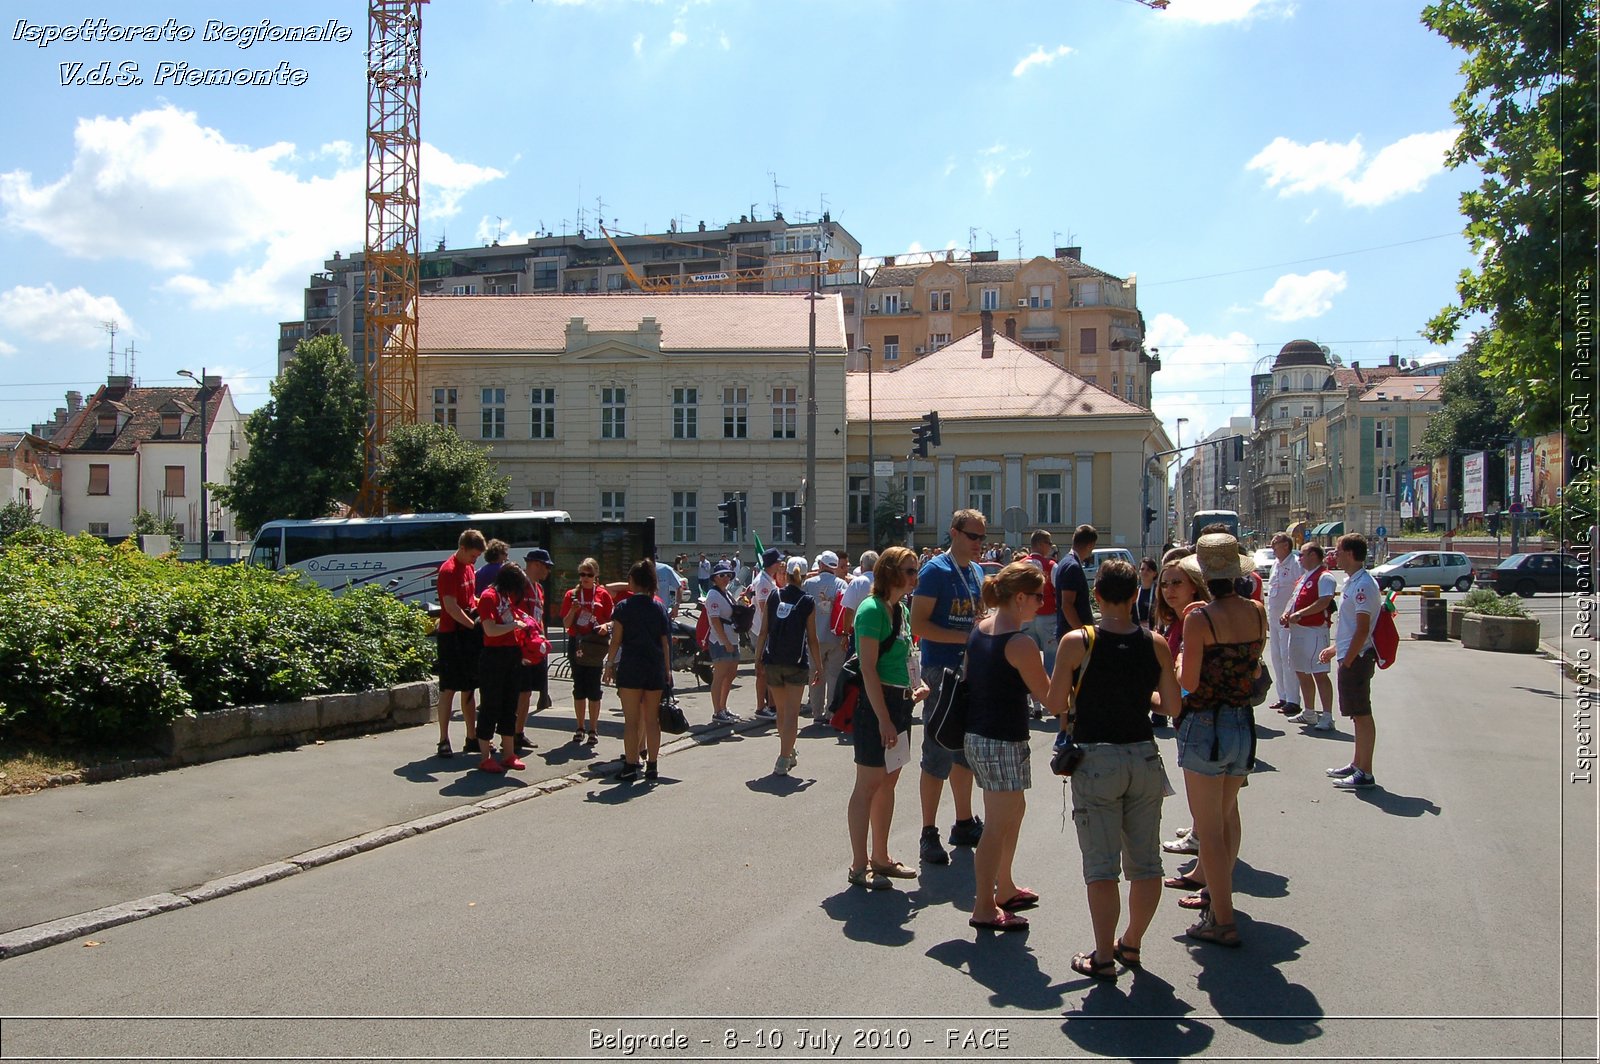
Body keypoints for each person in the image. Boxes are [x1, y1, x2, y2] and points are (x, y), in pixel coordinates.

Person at [1053, 559, 1183, 975]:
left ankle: (1103, 956)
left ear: (1096, 595)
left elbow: (1055, 703)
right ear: (1134, 597)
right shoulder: (1155, 643)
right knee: (1146, 864)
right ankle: (1132, 942)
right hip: (1143, 755)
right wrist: (1139, 697)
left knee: (1102, 868)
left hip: (1097, 759)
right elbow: (1172, 706)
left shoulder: (1079, 641)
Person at [1175, 533, 1267, 949]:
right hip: (1241, 723)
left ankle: (1223, 919)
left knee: (1209, 828)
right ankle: (1217, 897)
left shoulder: (1199, 620)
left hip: (1205, 725)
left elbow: (1189, 683)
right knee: (1228, 816)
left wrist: (1177, 662)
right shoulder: (1258, 613)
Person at [964, 562, 1055, 932]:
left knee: (1012, 812)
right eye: (1037, 596)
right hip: (1000, 739)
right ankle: (984, 906)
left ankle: (1005, 887)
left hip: (982, 736)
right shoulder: (1020, 643)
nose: (1041, 602)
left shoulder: (981, 628)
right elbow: (1049, 698)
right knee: (997, 825)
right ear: (1019, 597)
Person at [845, 547, 928, 889]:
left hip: (901, 703)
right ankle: (858, 864)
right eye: (909, 571)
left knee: (889, 781)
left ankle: (881, 857)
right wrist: (883, 719)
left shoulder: (899, 609)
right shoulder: (872, 609)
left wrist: (917, 684)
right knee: (868, 784)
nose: (914, 577)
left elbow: (907, 656)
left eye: (916, 571)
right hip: (877, 705)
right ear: (890, 572)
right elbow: (867, 667)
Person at [911, 509, 989, 866]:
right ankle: (928, 831)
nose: (979, 544)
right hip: (940, 671)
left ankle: (963, 821)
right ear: (954, 533)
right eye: (974, 537)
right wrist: (963, 636)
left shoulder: (975, 571)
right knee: (938, 749)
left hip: (968, 671)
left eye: (982, 538)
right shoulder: (935, 571)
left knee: (964, 751)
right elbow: (920, 625)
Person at [1154, 547, 1210, 855]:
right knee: (1196, 784)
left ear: (1194, 585)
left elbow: (1187, 677)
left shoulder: (1195, 619)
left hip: (1197, 714)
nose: (1169, 590)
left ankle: (1200, 837)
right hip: (1185, 715)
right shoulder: (1177, 620)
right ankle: (1198, 828)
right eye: (1165, 584)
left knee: (1199, 785)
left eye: (1177, 583)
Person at [602, 560, 673, 782]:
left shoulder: (623, 607)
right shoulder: (659, 607)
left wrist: (609, 664)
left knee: (631, 720)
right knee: (652, 719)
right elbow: (665, 642)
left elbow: (616, 641)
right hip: (654, 666)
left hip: (631, 667)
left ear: (633, 581)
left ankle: (631, 765)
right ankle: (652, 765)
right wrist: (668, 670)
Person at [1322, 533, 1382, 788]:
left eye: (1337, 550)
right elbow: (1349, 628)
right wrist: (1336, 649)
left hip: (1357, 659)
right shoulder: (1353, 581)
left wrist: (1347, 659)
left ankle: (1365, 772)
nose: (1334, 555)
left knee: (1362, 713)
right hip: (1350, 656)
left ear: (1349, 553)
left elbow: (1362, 629)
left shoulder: (1363, 585)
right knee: (1356, 715)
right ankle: (1358, 763)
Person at [754, 556, 822, 775]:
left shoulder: (774, 594)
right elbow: (812, 638)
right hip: (797, 662)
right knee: (792, 713)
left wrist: (757, 659)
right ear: (802, 575)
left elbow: (764, 630)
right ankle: (783, 758)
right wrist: (818, 665)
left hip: (773, 661)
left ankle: (788, 750)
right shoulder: (807, 601)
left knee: (782, 712)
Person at [474, 563, 535, 773]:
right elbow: (489, 630)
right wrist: (514, 626)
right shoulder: (489, 596)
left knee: (510, 704)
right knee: (491, 704)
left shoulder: (505, 598)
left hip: (511, 654)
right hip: (494, 657)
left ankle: (509, 753)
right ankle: (485, 756)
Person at [433, 529, 485, 757]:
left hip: (466, 633)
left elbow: (470, 598)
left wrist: (481, 605)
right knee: (448, 688)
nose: (475, 560)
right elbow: (451, 607)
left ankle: (471, 736)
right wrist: (472, 625)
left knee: (469, 688)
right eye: (473, 555)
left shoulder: (469, 568)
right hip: (451, 635)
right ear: (462, 548)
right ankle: (443, 739)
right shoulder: (449, 570)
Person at [1282, 542, 1336, 730]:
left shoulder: (1325, 577)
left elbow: (1324, 601)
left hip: (1314, 631)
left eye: (1303, 555)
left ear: (1313, 555)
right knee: (1301, 671)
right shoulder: (1304, 577)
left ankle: (1327, 715)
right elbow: (1294, 598)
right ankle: (1309, 712)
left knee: (1319, 673)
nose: (1300, 559)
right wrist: (1287, 613)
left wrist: (1301, 614)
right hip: (1297, 631)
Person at [560, 556, 613, 747]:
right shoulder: (571, 595)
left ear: (595, 575)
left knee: (594, 688)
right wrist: (573, 611)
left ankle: (593, 729)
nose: (585, 578)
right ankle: (580, 727)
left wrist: (606, 627)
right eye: (582, 574)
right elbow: (566, 624)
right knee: (579, 686)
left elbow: (612, 620)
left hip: (595, 643)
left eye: (589, 574)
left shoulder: (603, 595)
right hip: (578, 643)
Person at [512, 548, 554, 750]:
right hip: (519, 647)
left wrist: (543, 639)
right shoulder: (518, 586)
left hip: (535, 648)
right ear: (535, 564)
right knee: (518, 691)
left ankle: (519, 732)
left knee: (527, 692)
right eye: (546, 567)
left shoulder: (539, 589)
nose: (548, 571)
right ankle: (509, 732)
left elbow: (540, 617)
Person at [803, 550, 849, 724]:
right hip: (835, 636)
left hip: (814, 637)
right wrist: (845, 635)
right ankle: (831, 712)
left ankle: (817, 714)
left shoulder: (809, 583)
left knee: (815, 674)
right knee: (834, 675)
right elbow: (846, 612)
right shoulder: (841, 584)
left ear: (821, 564)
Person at [1263, 533, 1304, 717]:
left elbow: (1299, 592)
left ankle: (1293, 700)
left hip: (1288, 620)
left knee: (1288, 659)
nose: (1273, 548)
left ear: (1286, 546)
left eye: (1275, 545)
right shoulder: (1275, 565)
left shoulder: (1295, 564)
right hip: (1275, 619)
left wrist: (1292, 614)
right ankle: (1283, 696)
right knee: (1277, 658)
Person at [1022, 530, 1059, 719]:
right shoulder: (1051, 565)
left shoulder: (1019, 565)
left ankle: (1032, 702)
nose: (1051, 547)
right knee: (1051, 662)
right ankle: (1050, 701)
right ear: (1042, 544)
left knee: (1027, 662)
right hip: (1048, 617)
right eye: (1049, 543)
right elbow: (1058, 591)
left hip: (1025, 619)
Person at [703, 560, 743, 724]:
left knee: (731, 674)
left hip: (732, 637)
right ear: (714, 578)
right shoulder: (713, 595)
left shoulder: (726, 593)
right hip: (720, 640)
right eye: (722, 575)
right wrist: (725, 641)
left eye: (729, 575)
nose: (726, 578)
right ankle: (717, 711)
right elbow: (715, 621)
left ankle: (724, 707)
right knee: (719, 675)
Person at [747, 548, 784, 719]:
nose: (781, 564)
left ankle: (771, 705)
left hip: (766, 631)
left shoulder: (768, 579)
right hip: (763, 631)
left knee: (768, 669)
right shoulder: (763, 582)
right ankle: (761, 707)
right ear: (772, 564)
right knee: (762, 670)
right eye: (778, 562)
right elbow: (764, 609)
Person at [1054, 524, 1097, 640]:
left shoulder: (1065, 562)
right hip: (1073, 636)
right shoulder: (1072, 566)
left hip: (1068, 632)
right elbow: (1067, 605)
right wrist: (1083, 634)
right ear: (1090, 545)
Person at [837, 550, 878, 640]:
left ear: (861, 565)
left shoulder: (857, 582)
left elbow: (849, 611)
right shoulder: (884, 581)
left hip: (860, 630)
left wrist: (845, 634)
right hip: (882, 630)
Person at [1132, 557, 1159, 630]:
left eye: (1148, 570)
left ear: (1154, 573)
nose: (1144, 572)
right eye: (1142, 569)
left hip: (1154, 631)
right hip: (1138, 631)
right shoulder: (1135, 591)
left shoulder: (1158, 591)